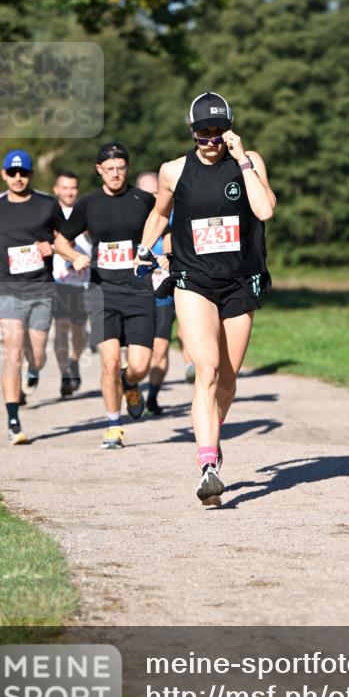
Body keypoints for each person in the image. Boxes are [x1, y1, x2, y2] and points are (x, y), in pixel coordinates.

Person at [138, 91, 276, 504]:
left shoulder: (247, 162)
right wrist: (143, 251)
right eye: (204, 133)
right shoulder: (174, 171)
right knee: (208, 370)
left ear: (230, 130)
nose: (212, 141)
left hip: (240, 280)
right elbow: (161, 214)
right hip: (192, 279)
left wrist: (245, 160)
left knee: (229, 381)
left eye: (219, 132)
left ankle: (210, 435)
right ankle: (208, 466)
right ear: (192, 131)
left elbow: (265, 210)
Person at [53, 143, 156, 449]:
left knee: (140, 365)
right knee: (109, 362)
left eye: (120, 168)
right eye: (109, 169)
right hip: (102, 290)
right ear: (99, 170)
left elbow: (167, 230)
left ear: (127, 168)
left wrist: (165, 255)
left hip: (139, 289)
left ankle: (131, 381)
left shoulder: (143, 199)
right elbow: (60, 241)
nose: (115, 174)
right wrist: (74, 256)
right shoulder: (88, 204)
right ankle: (113, 425)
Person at [0, 150, 63, 443]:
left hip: (42, 286)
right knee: (12, 352)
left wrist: (53, 247)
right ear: (3, 174)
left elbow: (62, 236)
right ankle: (13, 421)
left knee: (37, 353)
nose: (18, 178)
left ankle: (34, 371)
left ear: (31, 175)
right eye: (12, 173)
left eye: (23, 173)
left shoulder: (47, 203)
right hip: (7, 287)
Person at [136, 171, 177, 416]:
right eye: (147, 193)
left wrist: (169, 258)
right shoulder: (132, 218)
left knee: (160, 347)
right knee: (139, 348)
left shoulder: (171, 214)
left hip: (163, 290)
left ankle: (152, 397)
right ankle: (131, 383)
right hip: (136, 291)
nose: (152, 197)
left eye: (156, 192)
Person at [52, 171, 91, 398]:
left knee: (79, 329)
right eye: (65, 188)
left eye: (73, 188)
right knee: (61, 328)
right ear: (56, 189)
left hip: (83, 279)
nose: (69, 192)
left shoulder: (85, 210)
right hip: (60, 279)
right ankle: (65, 373)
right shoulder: (51, 213)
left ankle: (74, 361)